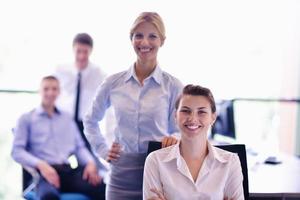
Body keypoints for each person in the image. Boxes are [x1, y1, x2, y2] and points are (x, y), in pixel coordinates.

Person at [83, 12, 183, 199]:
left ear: (162, 41)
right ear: (131, 39)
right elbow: (90, 120)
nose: (144, 42)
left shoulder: (173, 86)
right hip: (120, 176)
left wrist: (175, 138)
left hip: (158, 174)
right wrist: (103, 150)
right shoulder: (113, 82)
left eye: (152, 36)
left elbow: (182, 130)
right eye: (139, 35)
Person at [143, 84, 244, 200]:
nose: (192, 119)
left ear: (213, 117)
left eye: (201, 112)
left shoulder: (230, 162)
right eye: (186, 111)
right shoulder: (155, 160)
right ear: (175, 116)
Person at [11, 76, 105, 200]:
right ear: (40, 91)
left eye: (54, 89)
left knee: (102, 187)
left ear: (59, 92)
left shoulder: (67, 118)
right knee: (49, 197)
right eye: (46, 89)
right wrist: (41, 165)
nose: (50, 92)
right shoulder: (26, 119)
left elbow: (79, 147)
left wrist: (90, 163)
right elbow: (16, 151)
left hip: (67, 172)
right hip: (44, 174)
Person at [55, 33, 107, 139]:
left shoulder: (99, 74)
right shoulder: (60, 70)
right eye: (78, 51)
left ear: (91, 51)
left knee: (88, 155)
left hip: (86, 125)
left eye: (85, 52)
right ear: (73, 49)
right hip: (63, 122)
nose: (82, 56)